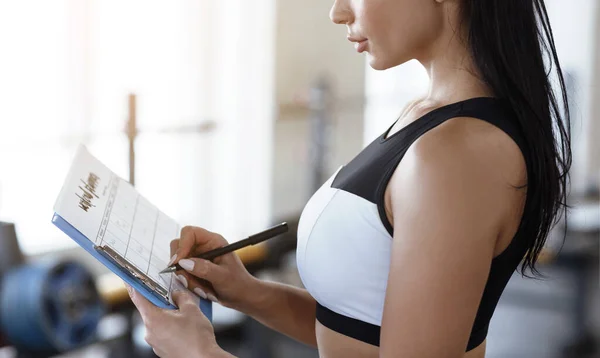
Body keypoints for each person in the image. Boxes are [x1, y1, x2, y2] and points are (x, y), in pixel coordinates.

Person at [126, 0, 572, 357]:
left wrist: (197, 353)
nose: (337, 12)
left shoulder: (458, 154)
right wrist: (247, 293)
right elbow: (360, 327)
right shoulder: (428, 119)